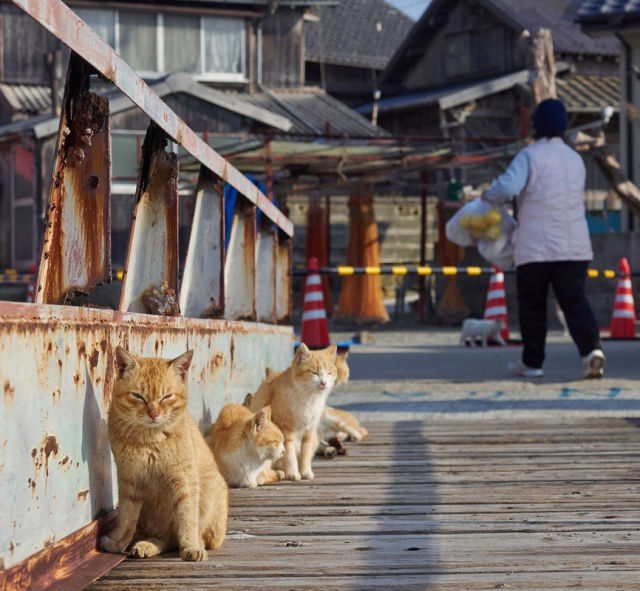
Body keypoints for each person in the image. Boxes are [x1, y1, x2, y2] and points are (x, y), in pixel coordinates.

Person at [481, 98, 605, 378]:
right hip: (575, 246)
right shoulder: (575, 159)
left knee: (533, 305)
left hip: (536, 247)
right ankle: (591, 351)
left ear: (537, 125)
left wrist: (490, 195)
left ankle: (533, 363)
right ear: (563, 126)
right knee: (575, 301)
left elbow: (509, 186)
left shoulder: (530, 155)